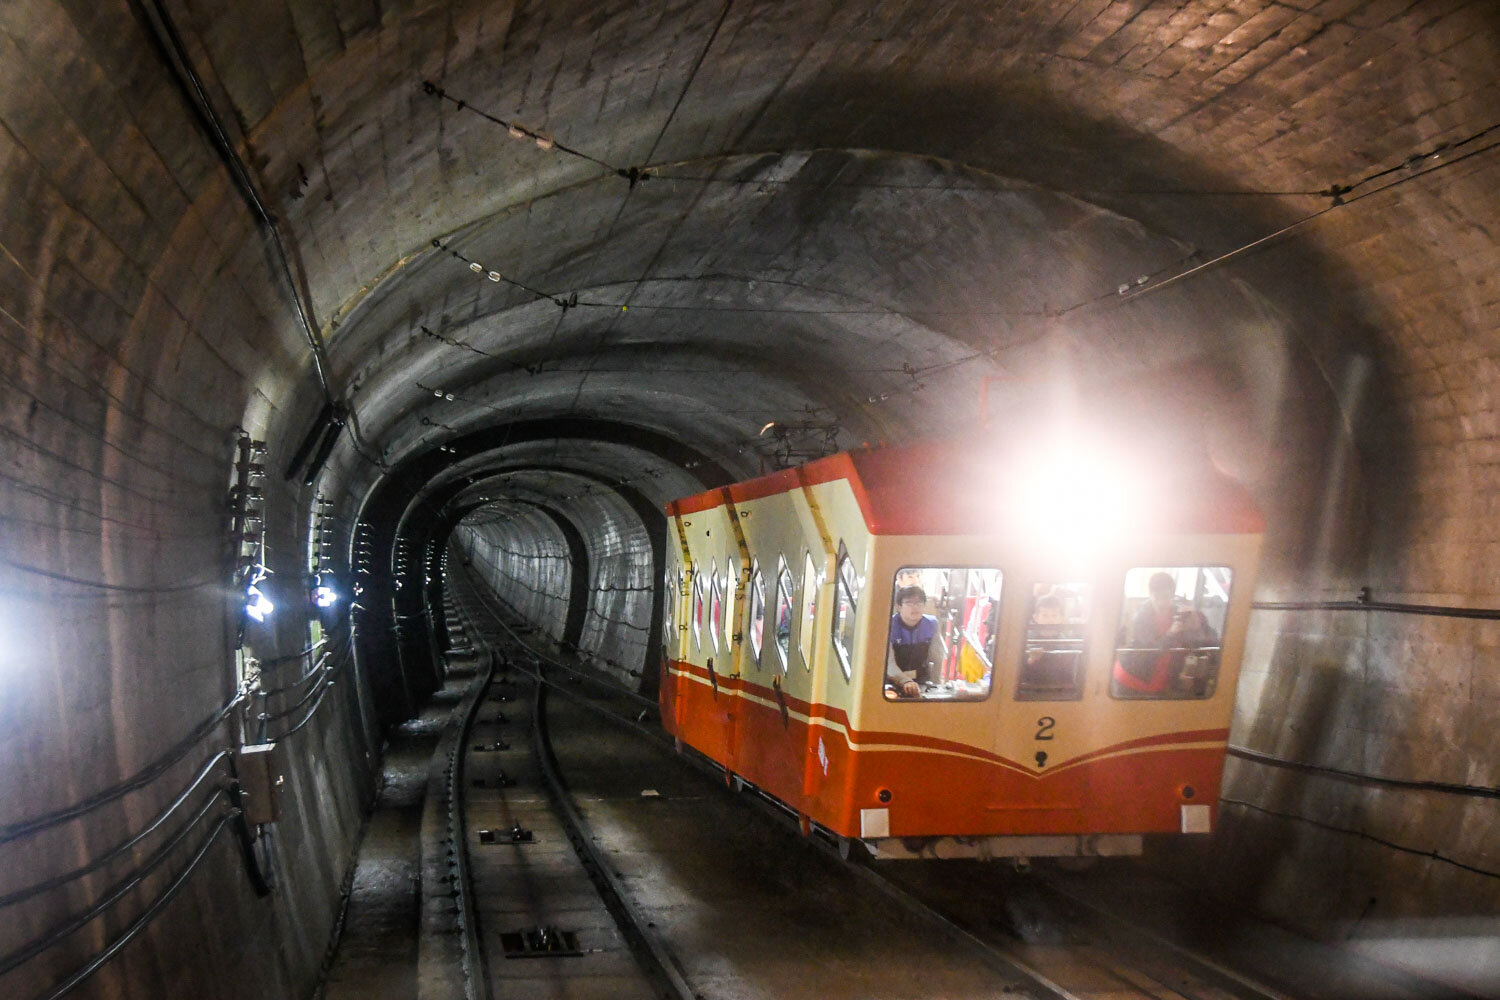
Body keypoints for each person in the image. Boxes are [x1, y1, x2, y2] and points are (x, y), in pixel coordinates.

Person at [1114, 571, 1218, 693]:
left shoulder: (1180, 614)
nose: (1161, 602)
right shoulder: (1141, 617)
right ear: (1150, 594)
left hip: (1160, 682)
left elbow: (1208, 644)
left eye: (1165, 596)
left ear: (1172, 595)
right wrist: (1171, 633)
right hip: (1131, 680)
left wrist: (1197, 626)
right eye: (1156, 597)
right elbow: (1152, 650)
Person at [886, 585, 945, 697]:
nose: (915, 607)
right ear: (899, 606)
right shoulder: (889, 625)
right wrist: (905, 681)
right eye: (909, 603)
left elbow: (937, 658)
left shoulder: (932, 624)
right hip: (893, 680)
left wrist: (937, 686)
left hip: (921, 680)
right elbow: (889, 663)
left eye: (919, 603)